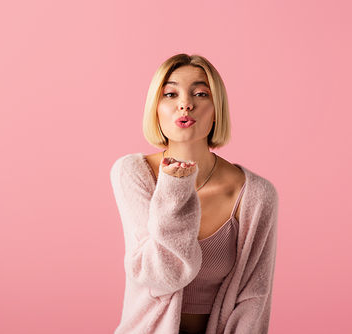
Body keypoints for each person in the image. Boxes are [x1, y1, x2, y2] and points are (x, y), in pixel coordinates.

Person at [110, 54, 278, 334]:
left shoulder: (256, 195)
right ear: (156, 108)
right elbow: (158, 275)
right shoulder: (132, 172)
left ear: (217, 109)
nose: (185, 103)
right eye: (170, 93)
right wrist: (175, 189)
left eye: (200, 93)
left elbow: (254, 298)